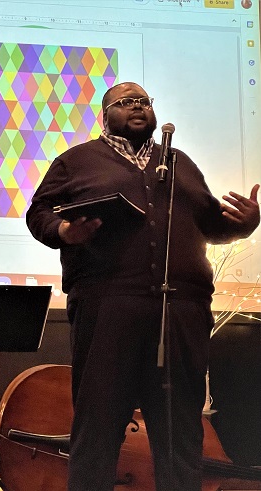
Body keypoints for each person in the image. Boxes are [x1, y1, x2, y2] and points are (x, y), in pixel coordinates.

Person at [26, 82, 260, 491]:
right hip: (108, 310)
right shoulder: (76, 162)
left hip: (181, 313)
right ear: (105, 114)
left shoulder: (179, 162)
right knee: (98, 428)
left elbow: (210, 225)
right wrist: (64, 230)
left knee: (181, 432)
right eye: (125, 102)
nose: (137, 107)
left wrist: (242, 226)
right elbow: (38, 213)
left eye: (143, 101)